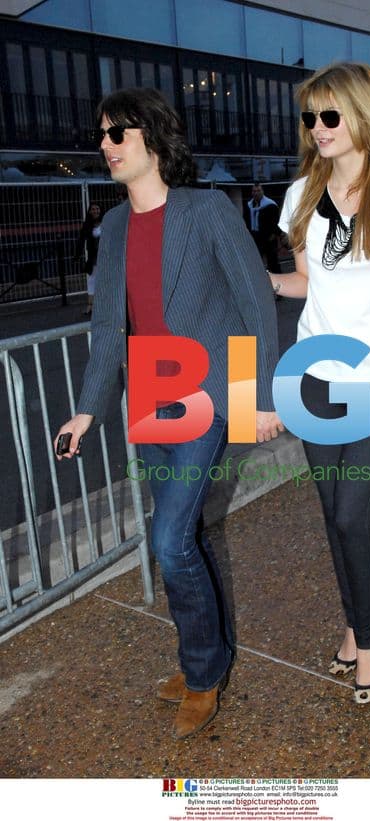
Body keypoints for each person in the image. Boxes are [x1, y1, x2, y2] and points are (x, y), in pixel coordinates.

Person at [54, 88, 282, 740]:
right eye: (101, 134)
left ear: (152, 136)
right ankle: (199, 657)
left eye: (116, 132)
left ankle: (206, 674)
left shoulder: (206, 209)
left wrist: (258, 396)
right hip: (152, 397)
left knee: (169, 540)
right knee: (187, 536)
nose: (106, 145)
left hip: (206, 393)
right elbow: (107, 330)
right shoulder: (116, 225)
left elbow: (255, 304)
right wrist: (86, 411)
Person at [268, 62, 370, 703]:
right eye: (310, 117)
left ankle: (369, 642)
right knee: (333, 518)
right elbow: (307, 284)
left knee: (352, 512)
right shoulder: (301, 195)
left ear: (362, 115)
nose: (317, 128)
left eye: (330, 115)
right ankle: (352, 625)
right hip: (314, 379)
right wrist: (265, 283)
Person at [243, 182, 281, 271]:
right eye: (254, 191)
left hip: (269, 238)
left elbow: (277, 221)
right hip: (255, 237)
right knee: (256, 261)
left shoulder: (270, 205)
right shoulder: (248, 205)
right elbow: (245, 220)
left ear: (263, 191)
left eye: (258, 191)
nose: (256, 193)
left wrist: (274, 234)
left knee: (272, 262)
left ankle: (277, 278)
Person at [75, 201, 103, 315]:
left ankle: (106, 305)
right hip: (93, 258)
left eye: (97, 208)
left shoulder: (106, 222)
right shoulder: (87, 225)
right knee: (92, 280)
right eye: (93, 209)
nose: (95, 211)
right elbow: (81, 240)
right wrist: (77, 255)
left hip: (106, 257)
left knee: (106, 280)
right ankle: (90, 306)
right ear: (90, 211)